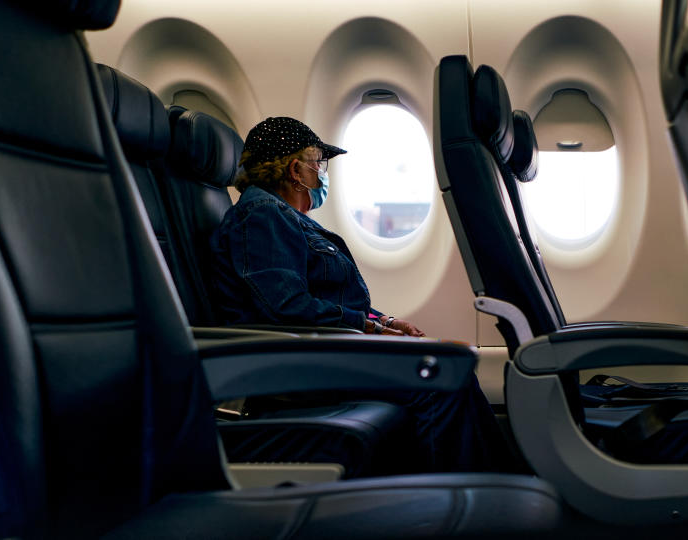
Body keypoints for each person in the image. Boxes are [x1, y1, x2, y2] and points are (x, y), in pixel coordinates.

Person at [209, 116, 513, 473]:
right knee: (438, 380)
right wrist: (370, 329)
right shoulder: (262, 215)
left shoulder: (286, 217)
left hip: (324, 350)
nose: (322, 173)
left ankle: (495, 486)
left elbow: (320, 300)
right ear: (295, 169)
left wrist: (382, 320)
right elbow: (286, 307)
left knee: (449, 367)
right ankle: (454, 503)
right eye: (318, 163)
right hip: (298, 364)